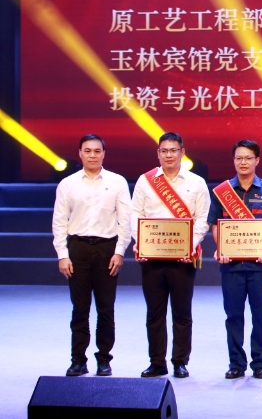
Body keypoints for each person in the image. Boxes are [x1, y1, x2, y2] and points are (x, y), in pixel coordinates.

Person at [130, 132, 210, 379]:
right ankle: (157, 362)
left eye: (173, 150)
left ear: (182, 152)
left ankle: (180, 362)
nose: (168, 155)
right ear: (158, 153)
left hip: (183, 259)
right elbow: (135, 214)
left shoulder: (196, 182)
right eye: (164, 151)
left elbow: (202, 219)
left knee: (182, 313)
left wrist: (189, 245)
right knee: (154, 313)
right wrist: (140, 242)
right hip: (152, 257)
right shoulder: (145, 181)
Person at [52, 134, 132, 377]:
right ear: (80, 153)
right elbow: (59, 222)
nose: (93, 155)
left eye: (97, 151)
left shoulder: (117, 182)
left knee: (106, 308)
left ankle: (104, 359)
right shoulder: (68, 184)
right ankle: (78, 359)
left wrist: (119, 252)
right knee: (80, 308)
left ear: (104, 154)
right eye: (87, 151)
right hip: (78, 249)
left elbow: (125, 221)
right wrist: (62, 255)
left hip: (107, 249)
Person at [208, 139, 262, 379]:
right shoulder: (222, 191)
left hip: (259, 266)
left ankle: (260, 364)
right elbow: (215, 223)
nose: (243, 162)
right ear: (234, 160)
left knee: (260, 316)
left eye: (248, 158)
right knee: (233, 316)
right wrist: (221, 247)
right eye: (239, 158)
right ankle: (236, 364)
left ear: (257, 160)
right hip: (231, 266)